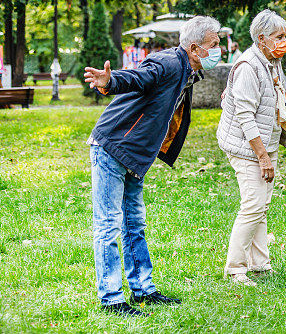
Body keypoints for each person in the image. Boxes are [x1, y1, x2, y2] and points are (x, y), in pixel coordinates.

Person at [83, 16, 222, 317]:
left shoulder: (189, 72)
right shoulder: (169, 63)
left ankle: (143, 290)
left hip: (135, 155)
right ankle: (111, 299)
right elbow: (138, 77)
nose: (219, 49)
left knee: (134, 222)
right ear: (196, 48)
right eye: (215, 44)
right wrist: (111, 82)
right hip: (113, 146)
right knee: (108, 225)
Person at [217, 9, 286, 287]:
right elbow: (246, 116)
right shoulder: (247, 67)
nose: (283, 42)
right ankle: (235, 269)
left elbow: (276, 102)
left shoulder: (272, 61)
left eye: (285, 36)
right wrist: (262, 156)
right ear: (262, 39)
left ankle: (260, 265)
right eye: (279, 37)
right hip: (245, 147)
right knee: (253, 204)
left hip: (265, 143)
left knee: (261, 206)